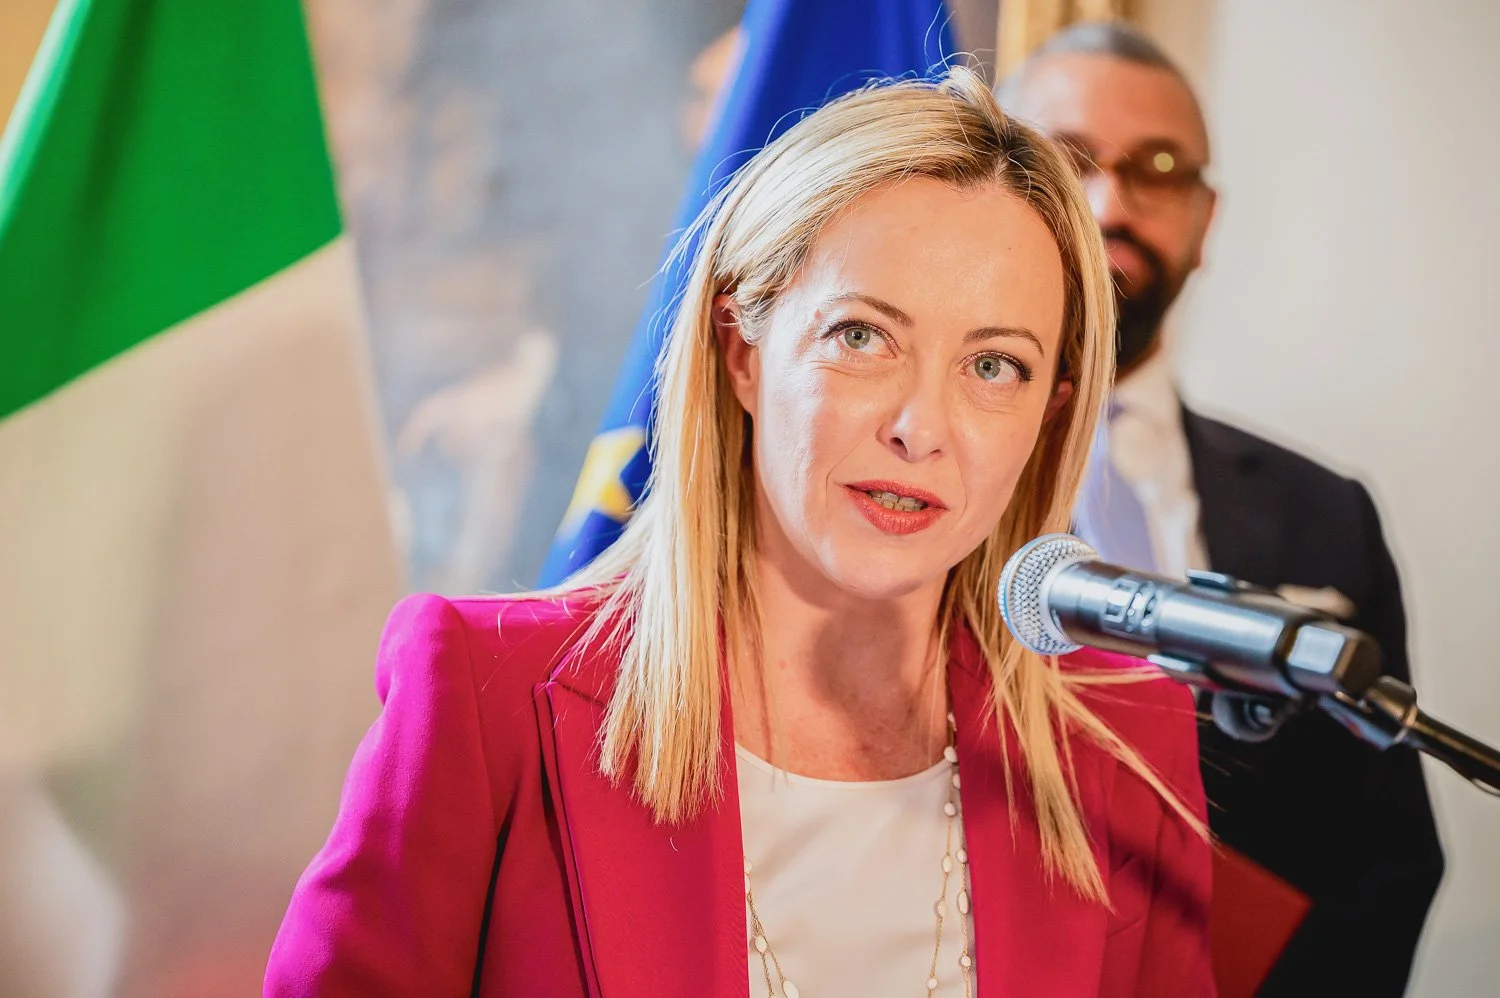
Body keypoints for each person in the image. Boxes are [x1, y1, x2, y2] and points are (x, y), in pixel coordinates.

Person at [265, 67, 1214, 997]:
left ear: (1051, 412)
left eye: (994, 365)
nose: (921, 426)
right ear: (741, 352)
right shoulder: (484, 697)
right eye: (861, 336)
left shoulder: (1129, 745)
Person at [1000, 22, 1445, 996]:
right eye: (1068, 160)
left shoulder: (1327, 512)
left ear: (1206, 218)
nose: (1110, 202)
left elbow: (1390, 853)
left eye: (1157, 167)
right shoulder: (917, 474)